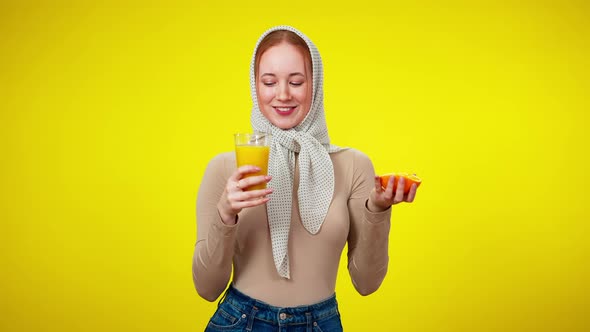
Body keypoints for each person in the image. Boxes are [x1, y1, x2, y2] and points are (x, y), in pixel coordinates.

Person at [192, 25, 418, 332]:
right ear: (254, 86)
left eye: (296, 82)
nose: (283, 94)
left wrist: (377, 209)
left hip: (320, 324)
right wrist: (225, 213)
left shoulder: (352, 165)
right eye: (269, 82)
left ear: (316, 84)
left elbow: (367, 283)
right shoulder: (225, 168)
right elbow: (206, 288)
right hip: (240, 322)